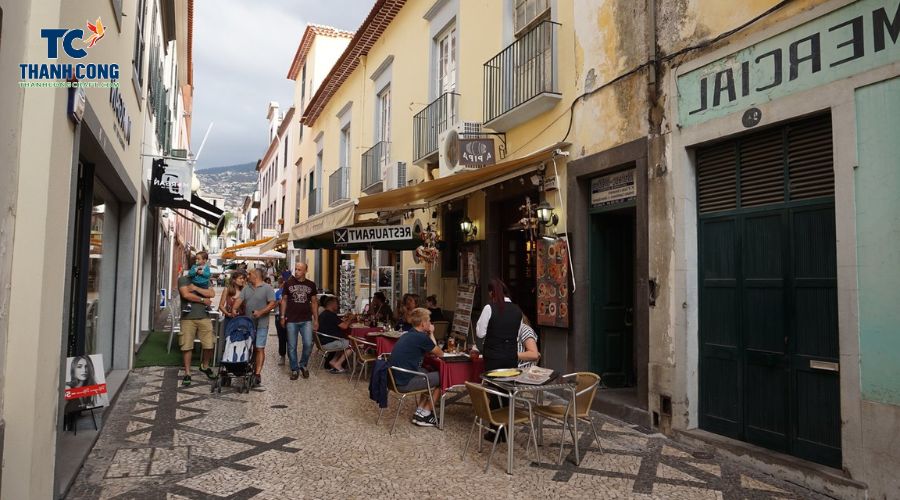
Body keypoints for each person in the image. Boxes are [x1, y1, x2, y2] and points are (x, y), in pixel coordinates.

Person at [473, 278, 523, 441]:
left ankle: (495, 430)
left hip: (494, 356)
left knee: (494, 392)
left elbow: (480, 333)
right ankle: (506, 431)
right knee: (507, 391)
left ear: (492, 293)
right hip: (510, 356)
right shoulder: (517, 310)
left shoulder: (490, 308)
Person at [388, 308, 444, 427]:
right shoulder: (421, 338)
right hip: (404, 382)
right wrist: (432, 333)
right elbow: (440, 353)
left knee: (427, 371)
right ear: (423, 323)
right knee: (442, 377)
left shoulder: (408, 334)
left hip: (393, 379)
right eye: (429, 321)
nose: (430, 324)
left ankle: (420, 411)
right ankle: (425, 414)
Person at [232, 268, 277, 386]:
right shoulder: (247, 288)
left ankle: (257, 374)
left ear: (256, 276)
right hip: (247, 324)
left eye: (250, 274)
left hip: (262, 324)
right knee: (247, 346)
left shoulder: (267, 288)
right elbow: (240, 300)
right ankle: (246, 366)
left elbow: (272, 303)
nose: (247, 276)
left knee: (259, 348)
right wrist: (234, 309)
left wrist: (261, 312)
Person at [178, 259, 217, 386]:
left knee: (209, 344)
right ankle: (187, 373)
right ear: (192, 268)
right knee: (187, 345)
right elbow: (186, 295)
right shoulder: (183, 279)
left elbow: (211, 293)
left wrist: (195, 288)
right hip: (188, 318)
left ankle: (205, 366)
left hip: (204, 316)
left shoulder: (205, 279)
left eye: (202, 268)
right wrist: (202, 300)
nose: (200, 269)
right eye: (198, 267)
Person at [280, 262, 318, 380]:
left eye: (299, 270)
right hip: (291, 319)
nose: (296, 271)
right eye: (295, 269)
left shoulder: (311, 285)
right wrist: (282, 316)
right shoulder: (288, 284)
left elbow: (314, 302)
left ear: (305, 271)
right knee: (292, 346)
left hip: (306, 319)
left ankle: (303, 364)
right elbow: (284, 301)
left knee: (308, 343)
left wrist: (316, 319)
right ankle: (294, 369)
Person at [318, 296, 352, 373]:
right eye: (337, 304)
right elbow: (345, 326)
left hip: (323, 341)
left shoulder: (324, 314)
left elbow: (339, 323)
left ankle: (333, 361)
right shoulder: (331, 315)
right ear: (332, 304)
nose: (338, 305)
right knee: (352, 344)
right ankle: (338, 364)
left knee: (343, 341)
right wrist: (350, 318)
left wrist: (345, 320)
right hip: (328, 343)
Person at [274, 276, 287, 366]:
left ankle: (290, 357)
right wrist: (277, 303)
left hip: (289, 317)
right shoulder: (277, 293)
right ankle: (282, 356)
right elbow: (273, 305)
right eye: (280, 283)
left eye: (281, 283)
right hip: (278, 316)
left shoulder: (290, 292)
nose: (280, 285)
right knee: (281, 337)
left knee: (290, 338)